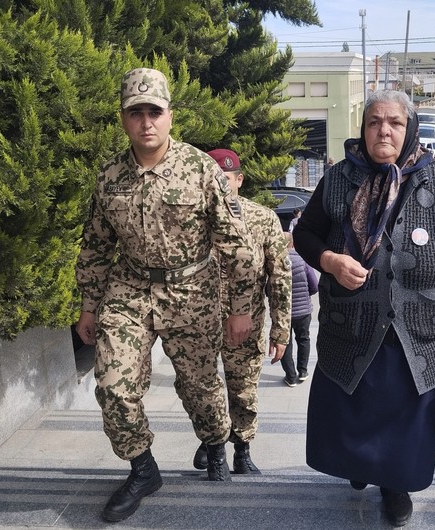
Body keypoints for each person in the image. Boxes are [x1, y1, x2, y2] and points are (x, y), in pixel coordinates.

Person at [293, 89, 435, 528]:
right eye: (375, 121)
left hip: (419, 326)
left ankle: (396, 488)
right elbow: (305, 235)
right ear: (363, 128)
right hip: (354, 323)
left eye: (395, 122)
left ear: (409, 128)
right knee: (356, 403)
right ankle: (361, 468)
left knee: (404, 411)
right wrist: (329, 260)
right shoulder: (340, 177)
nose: (384, 130)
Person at [74, 68, 257, 522]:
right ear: (123, 119)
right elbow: (96, 245)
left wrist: (241, 310)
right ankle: (142, 467)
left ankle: (215, 444)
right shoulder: (110, 176)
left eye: (154, 111)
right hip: (129, 288)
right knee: (114, 387)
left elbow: (236, 245)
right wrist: (88, 306)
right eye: (136, 113)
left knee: (200, 387)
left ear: (170, 116)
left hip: (191, 289)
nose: (146, 122)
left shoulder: (200, 170)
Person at [191, 148, 291, 476]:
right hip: (197, 323)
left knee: (243, 389)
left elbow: (280, 276)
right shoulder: (189, 222)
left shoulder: (262, 219)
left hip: (245, 324)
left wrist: (281, 330)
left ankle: (242, 450)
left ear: (240, 180)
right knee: (197, 387)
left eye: (227, 180)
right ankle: (212, 441)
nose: (221, 186)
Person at [280, 232, 318, 386]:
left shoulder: (276, 262)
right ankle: (302, 371)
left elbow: (268, 290)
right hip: (303, 311)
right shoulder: (303, 261)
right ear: (293, 244)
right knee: (303, 339)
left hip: (283, 313)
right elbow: (314, 287)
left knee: (285, 342)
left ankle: (290, 376)